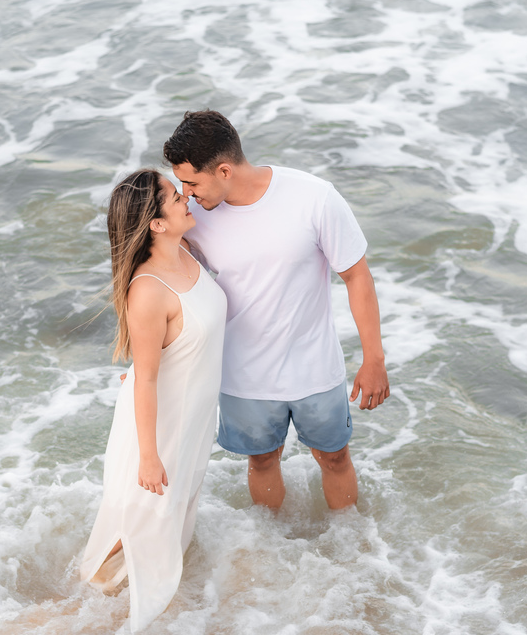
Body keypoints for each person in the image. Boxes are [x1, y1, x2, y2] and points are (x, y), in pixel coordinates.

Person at [163, 110, 389, 511]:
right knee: (262, 459)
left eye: (192, 181)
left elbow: (356, 276)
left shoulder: (313, 197)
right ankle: (269, 554)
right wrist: (154, 356)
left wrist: (374, 358)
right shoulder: (192, 217)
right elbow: (169, 285)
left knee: (335, 458)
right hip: (244, 374)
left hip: (314, 368)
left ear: (225, 171)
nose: (186, 192)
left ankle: (352, 554)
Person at [80, 169, 227, 635]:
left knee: (171, 514)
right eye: (173, 195)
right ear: (156, 225)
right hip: (157, 426)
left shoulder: (186, 251)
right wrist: (148, 456)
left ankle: (143, 605)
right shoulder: (148, 290)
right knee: (139, 517)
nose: (185, 197)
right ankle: (86, 613)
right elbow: (145, 381)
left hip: (192, 416)